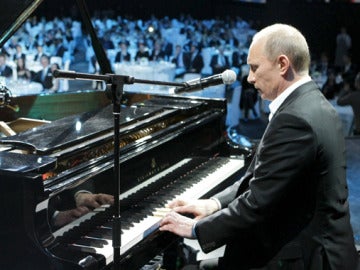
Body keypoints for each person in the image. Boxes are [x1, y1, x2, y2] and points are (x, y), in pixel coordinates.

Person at [159, 23, 360, 270]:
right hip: (314, 246)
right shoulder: (311, 103)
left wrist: (196, 229)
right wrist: (214, 204)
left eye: (255, 67)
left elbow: (257, 203)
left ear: (283, 64)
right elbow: (262, 179)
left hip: (307, 257)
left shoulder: (296, 119)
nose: (250, 77)